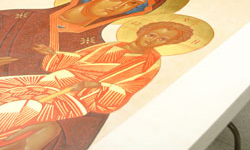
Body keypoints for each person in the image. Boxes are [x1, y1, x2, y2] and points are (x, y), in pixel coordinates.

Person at [0, 21, 193, 149]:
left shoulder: (149, 62)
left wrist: (96, 85)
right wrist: (53, 54)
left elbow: (127, 88)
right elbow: (79, 60)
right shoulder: (112, 45)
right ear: (142, 31)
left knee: (24, 108)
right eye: (152, 34)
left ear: (168, 44)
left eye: (163, 39)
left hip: (76, 96)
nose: (154, 40)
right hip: (53, 81)